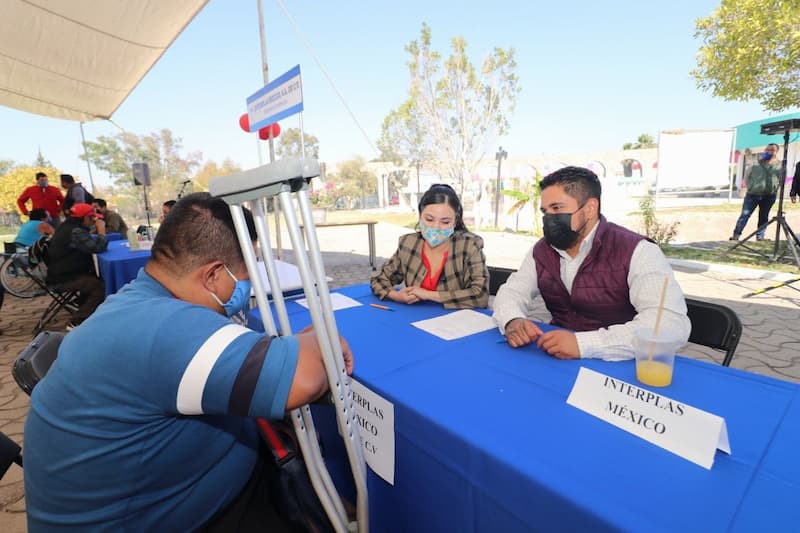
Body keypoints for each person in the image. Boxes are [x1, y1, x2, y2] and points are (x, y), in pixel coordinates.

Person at [24, 192, 353, 531]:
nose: (249, 284)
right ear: (212, 275)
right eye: (245, 271)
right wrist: (321, 338)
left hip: (177, 494)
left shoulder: (141, 297)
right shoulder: (166, 327)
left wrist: (297, 345)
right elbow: (303, 380)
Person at [492, 166, 690, 360]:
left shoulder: (636, 250)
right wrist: (512, 319)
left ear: (590, 208)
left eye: (557, 208)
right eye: (545, 211)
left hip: (619, 365)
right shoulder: (543, 250)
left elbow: (669, 323)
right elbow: (513, 291)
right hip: (555, 357)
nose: (549, 218)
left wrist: (584, 344)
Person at [371, 183, 489, 308]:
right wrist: (396, 296)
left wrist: (428, 294)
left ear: (456, 221)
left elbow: (481, 295)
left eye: (445, 222)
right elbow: (378, 279)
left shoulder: (469, 246)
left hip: (457, 321)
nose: (436, 227)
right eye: (429, 219)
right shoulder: (409, 243)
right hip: (414, 317)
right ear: (420, 216)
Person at [44, 203, 108, 329]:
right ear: (86, 218)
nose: (94, 221)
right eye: (92, 218)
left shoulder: (66, 226)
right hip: (63, 279)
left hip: (59, 273)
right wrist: (102, 232)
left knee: (92, 279)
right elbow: (97, 248)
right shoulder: (76, 231)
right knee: (100, 286)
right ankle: (77, 321)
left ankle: (86, 310)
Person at [730, 143, 781, 241]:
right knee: (745, 215)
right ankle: (736, 235)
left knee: (764, 216)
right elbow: (746, 176)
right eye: (767, 149)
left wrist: (774, 189)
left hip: (768, 196)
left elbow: (781, 179)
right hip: (753, 195)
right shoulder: (755, 163)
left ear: (776, 152)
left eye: (771, 150)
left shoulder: (779, 165)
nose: (768, 151)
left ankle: (760, 236)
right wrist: (751, 187)